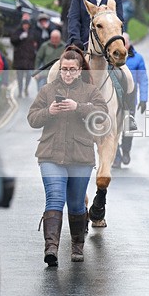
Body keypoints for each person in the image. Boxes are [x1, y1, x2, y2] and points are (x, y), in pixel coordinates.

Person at [27, 48, 107, 266]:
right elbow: (32, 118)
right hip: (50, 155)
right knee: (54, 198)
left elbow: (102, 115)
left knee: (75, 204)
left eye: (72, 70)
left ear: (80, 70)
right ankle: (51, 248)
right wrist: (49, 112)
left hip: (80, 157)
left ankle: (77, 245)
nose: (68, 73)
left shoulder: (91, 91)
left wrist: (78, 107)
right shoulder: (47, 90)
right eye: (64, 69)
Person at [114, 32, 148, 168]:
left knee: (128, 127)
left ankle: (126, 150)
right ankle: (116, 156)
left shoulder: (138, 58)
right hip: (114, 98)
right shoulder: (112, 57)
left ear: (129, 44)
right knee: (113, 128)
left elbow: (143, 79)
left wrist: (144, 99)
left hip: (130, 97)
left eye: (125, 43)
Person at [11, 19, 38, 97]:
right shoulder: (17, 32)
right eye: (24, 24)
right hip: (20, 59)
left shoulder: (32, 33)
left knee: (29, 75)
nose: (26, 26)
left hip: (29, 58)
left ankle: (26, 88)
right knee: (19, 77)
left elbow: (37, 42)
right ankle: (20, 91)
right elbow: (12, 40)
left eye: (27, 25)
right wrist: (20, 37)